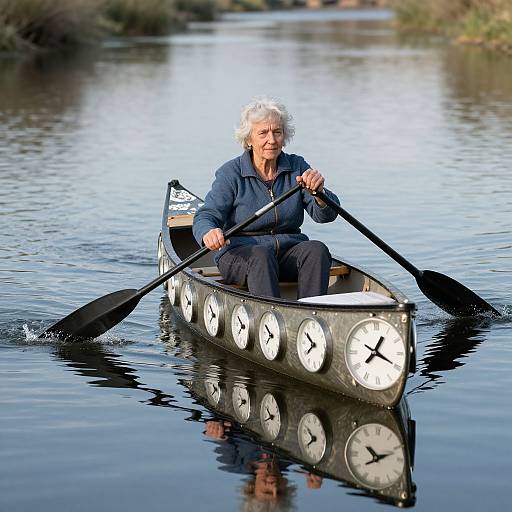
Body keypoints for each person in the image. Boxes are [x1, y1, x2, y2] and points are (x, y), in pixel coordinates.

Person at [192, 97, 340, 299]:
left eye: (277, 132)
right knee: (261, 255)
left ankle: (312, 312)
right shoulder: (231, 173)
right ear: (249, 140)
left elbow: (326, 216)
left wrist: (319, 195)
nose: (272, 139)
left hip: (287, 253)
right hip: (239, 254)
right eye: (263, 133)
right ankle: (272, 315)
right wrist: (208, 232)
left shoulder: (297, 166)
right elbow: (205, 216)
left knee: (316, 250)